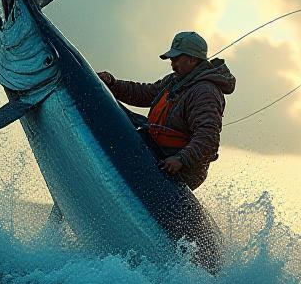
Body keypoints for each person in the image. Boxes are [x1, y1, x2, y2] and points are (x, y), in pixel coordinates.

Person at [98, 31, 236, 190]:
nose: (172, 64)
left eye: (176, 58)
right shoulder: (174, 80)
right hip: (158, 150)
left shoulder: (205, 92)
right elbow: (144, 94)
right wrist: (113, 84)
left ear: (192, 59)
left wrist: (181, 159)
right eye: (171, 58)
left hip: (180, 170)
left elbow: (208, 138)